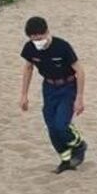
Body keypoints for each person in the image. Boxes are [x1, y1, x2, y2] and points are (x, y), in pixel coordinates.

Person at [19, 16, 88, 174]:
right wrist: (24, 94)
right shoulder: (30, 48)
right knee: (51, 127)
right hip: (49, 88)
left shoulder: (62, 46)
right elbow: (28, 68)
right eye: (33, 38)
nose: (38, 41)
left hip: (68, 87)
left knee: (61, 124)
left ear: (47, 32)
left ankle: (79, 145)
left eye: (40, 37)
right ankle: (65, 159)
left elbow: (80, 70)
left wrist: (79, 97)